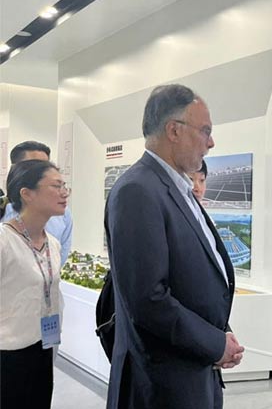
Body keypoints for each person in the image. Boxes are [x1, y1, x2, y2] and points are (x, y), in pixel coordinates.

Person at [104, 84, 243, 409]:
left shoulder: (175, 188)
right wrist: (214, 343)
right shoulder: (137, 191)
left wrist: (220, 336)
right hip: (161, 386)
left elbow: (193, 281)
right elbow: (148, 300)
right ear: (174, 130)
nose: (211, 142)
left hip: (192, 373)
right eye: (205, 131)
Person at [0, 160, 69, 409]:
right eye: (56, 186)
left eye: (65, 186)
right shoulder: (4, 241)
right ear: (27, 194)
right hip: (7, 354)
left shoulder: (53, 243)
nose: (64, 193)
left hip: (43, 346)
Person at [2, 141, 73, 266]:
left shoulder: (63, 214)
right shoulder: (4, 213)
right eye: (34, 167)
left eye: (46, 166)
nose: (42, 172)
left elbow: (59, 261)